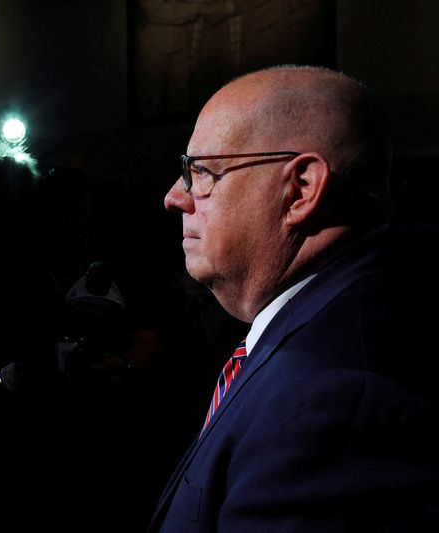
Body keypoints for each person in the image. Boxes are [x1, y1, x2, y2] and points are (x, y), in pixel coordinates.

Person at [148, 65, 439, 531]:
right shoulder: (346, 320)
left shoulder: (334, 400)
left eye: (200, 171)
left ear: (300, 189)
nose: (174, 197)